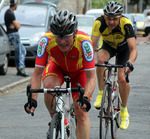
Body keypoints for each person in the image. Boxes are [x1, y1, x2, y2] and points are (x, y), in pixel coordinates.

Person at [24, 10, 96, 139]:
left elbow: (91, 77)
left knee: (81, 112)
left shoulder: (84, 42)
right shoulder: (45, 40)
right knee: (49, 86)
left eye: (66, 36)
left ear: (74, 33)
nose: (62, 41)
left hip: (79, 72)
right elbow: (37, 74)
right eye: (58, 36)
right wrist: (33, 100)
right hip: (57, 67)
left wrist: (85, 97)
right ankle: (56, 119)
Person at [91, 1, 138, 130]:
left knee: (122, 79)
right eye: (108, 18)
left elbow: (133, 49)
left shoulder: (126, 24)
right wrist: (87, 62)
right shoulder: (98, 23)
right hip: (108, 47)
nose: (111, 22)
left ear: (120, 17)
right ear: (104, 16)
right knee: (100, 60)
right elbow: (91, 46)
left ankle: (124, 111)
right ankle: (101, 93)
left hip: (124, 49)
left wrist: (130, 62)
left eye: (114, 19)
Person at [4, 0, 28, 77]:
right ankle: (21, 68)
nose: (17, 5)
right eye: (17, 4)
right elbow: (17, 26)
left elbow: (15, 25)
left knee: (20, 51)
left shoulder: (8, 13)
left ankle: (19, 68)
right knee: (20, 52)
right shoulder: (10, 14)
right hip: (14, 35)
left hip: (13, 34)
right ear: (15, 4)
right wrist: (17, 24)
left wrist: (16, 24)